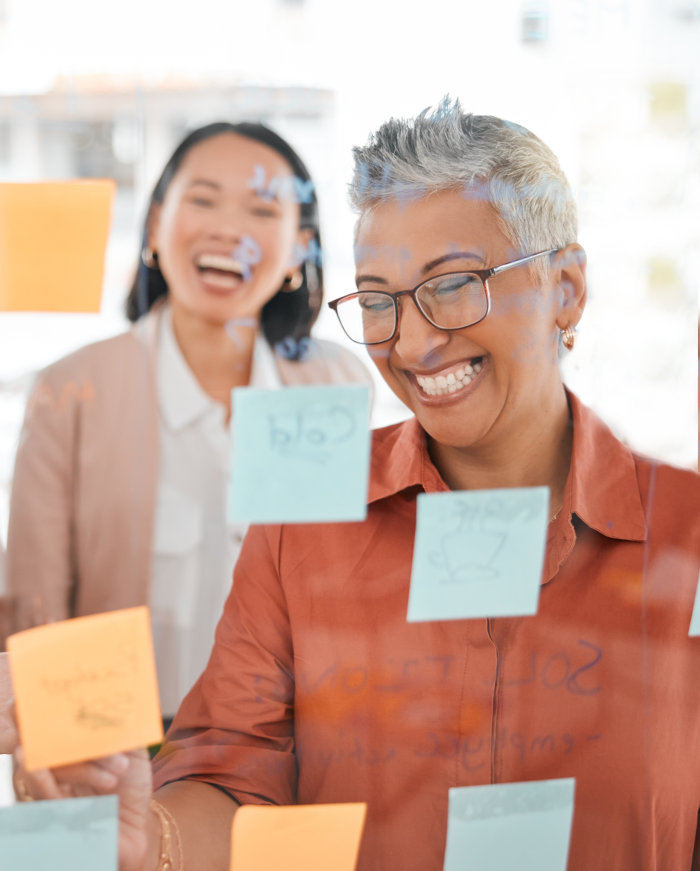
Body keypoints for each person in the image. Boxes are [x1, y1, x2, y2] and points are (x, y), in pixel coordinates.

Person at [12, 101, 700, 871]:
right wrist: (150, 837)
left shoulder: (687, 533)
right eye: (377, 301)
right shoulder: (300, 521)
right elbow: (234, 773)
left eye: (453, 284)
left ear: (566, 288)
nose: (410, 342)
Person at [5, 121, 372, 723]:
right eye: (202, 200)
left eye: (260, 209)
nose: (228, 229)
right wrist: (72, 759)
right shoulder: (72, 390)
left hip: (287, 760)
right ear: (154, 226)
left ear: (299, 249)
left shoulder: (334, 383)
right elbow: (36, 610)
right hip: (122, 758)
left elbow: (349, 592)